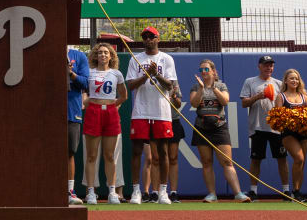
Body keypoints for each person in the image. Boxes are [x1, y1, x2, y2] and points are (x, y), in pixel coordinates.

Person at [124, 26, 177, 204]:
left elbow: (170, 85)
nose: (148, 39)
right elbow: (130, 85)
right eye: (145, 37)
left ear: (158, 38)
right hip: (141, 110)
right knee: (137, 151)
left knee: (162, 152)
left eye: (151, 36)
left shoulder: (166, 59)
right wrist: (146, 75)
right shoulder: (136, 59)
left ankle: (162, 191)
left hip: (161, 111)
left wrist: (156, 75)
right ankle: (136, 191)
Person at [188, 60, 245, 202]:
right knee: (207, 162)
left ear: (213, 71)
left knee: (227, 162)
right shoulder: (196, 86)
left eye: (206, 69)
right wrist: (201, 89)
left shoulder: (221, 85)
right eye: (201, 70)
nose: (203, 72)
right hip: (202, 128)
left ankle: (238, 194)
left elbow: (225, 101)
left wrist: (213, 88)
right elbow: (194, 104)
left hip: (219, 128)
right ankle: (212, 194)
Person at [82, 43, 127, 204]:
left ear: (111, 56)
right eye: (100, 52)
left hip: (110, 113)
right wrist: (87, 103)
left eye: (106, 53)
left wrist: (111, 107)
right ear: (95, 56)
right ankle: (91, 192)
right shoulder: (89, 73)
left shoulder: (116, 74)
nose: (103, 55)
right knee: (92, 155)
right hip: (93, 111)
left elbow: (123, 95)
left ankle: (112, 192)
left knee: (109, 155)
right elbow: (84, 92)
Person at [238, 54, 286, 201]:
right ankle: (253, 191)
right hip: (258, 126)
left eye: (271, 65)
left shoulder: (279, 83)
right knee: (256, 159)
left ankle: (286, 191)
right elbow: (244, 103)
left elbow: (285, 103)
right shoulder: (250, 81)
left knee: (282, 158)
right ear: (259, 66)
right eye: (265, 65)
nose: (268, 67)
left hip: (276, 127)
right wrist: (258, 96)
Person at [276, 68, 307, 202]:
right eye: (291, 78)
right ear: (286, 81)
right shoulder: (281, 96)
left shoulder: (304, 96)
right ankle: (295, 192)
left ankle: (297, 191)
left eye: (296, 78)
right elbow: (278, 116)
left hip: (303, 132)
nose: (294, 80)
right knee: (298, 158)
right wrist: (292, 117)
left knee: (301, 162)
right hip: (288, 133)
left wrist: (305, 118)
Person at [65, 44, 91, 205]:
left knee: (69, 152)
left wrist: (71, 74)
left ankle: (69, 191)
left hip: (71, 109)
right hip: (45, 109)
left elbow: (86, 82)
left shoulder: (78, 56)